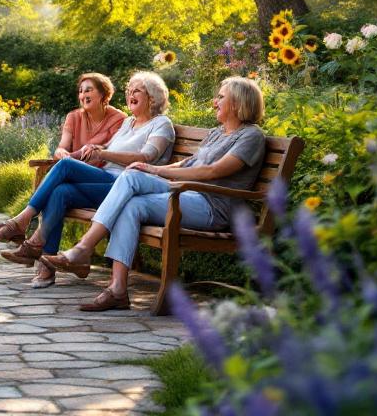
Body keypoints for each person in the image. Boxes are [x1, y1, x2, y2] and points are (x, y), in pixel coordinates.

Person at [43, 76, 268, 311]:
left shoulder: (251, 136)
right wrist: (152, 169)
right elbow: (188, 164)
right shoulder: (217, 133)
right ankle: (117, 290)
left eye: (221, 97)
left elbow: (213, 171)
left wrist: (156, 171)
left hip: (212, 205)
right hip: (187, 194)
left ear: (238, 102)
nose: (215, 102)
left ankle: (83, 248)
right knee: (131, 197)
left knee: (131, 183)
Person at [0, 71, 172, 289]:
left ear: (153, 97)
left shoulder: (162, 124)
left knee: (65, 165)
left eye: (137, 90)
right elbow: (110, 149)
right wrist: (99, 149)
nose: (130, 94)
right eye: (129, 90)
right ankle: (45, 260)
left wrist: (102, 154)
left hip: (128, 186)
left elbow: (145, 157)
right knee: (60, 192)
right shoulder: (129, 123)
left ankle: (22, 224)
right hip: (107, 182)